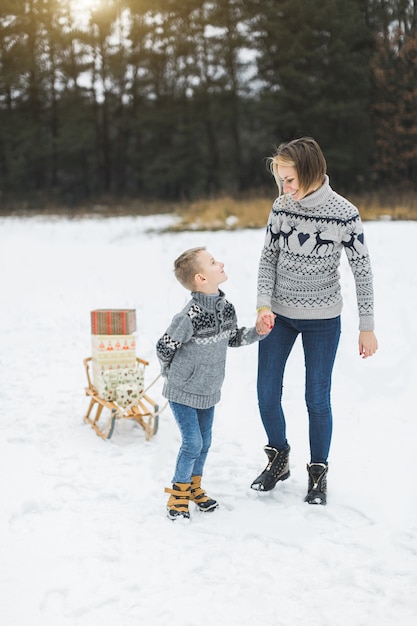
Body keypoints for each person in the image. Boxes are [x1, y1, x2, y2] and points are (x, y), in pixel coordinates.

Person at [251, 137, 378, 505]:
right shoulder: (282, 207)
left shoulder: (344, 213)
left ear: (309, 173)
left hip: (323, 318)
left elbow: (362, 270)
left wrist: (366, 325)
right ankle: (278, 457)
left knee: (316, 398)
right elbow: (267, 259)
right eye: (280, 180)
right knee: (265, 391)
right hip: (279, 315)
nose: (284, 188)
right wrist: (263, 305)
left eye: (289, 180)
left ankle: (318, 471)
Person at [156, 247, 270, 521]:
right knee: (192, 442)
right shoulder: (189, 317)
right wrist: (172, 374)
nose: (221, 263)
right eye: (212, 262)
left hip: (208, 390)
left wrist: (259, 332)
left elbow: (232, 338)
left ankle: (195, 486)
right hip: (183, 390)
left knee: (205, 442)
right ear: (201, 279)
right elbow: (163, 347)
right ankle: (178, 493)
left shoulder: (225, 308)